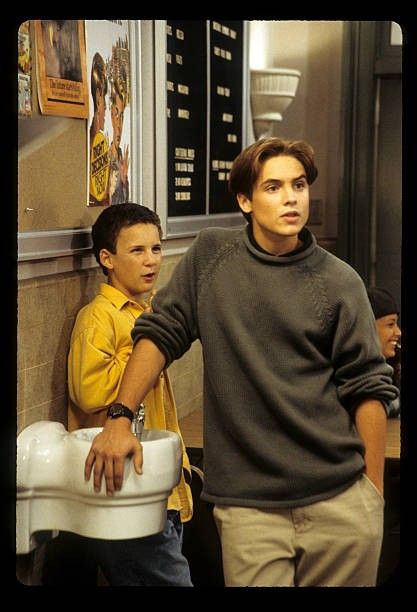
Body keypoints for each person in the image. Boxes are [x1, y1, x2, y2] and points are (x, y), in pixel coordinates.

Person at [85, 138, 398, 587]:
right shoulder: (212, 256)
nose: (291, 197)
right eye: (273, 187)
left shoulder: (339, 281)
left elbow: (368, 387)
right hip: (248, 507)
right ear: (245, 200)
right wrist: (118, 416)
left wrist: (372, 495)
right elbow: (160, 334)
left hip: (339, 501)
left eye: (299, 184)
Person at [67, 202, 193, 586]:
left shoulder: (146, 312)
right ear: (107, 258)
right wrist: (141, 357)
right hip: (124, 488)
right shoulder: (99, 317)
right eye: (137, 251)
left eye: (156, 248)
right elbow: (90, 392)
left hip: (155, 486)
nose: (151, 260)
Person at [367, 286, 401, 418]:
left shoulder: (391, 368)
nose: (398, 332)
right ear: (367, 327)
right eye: (390, 324)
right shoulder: (354, 379)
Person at [108, 77, 130, 204]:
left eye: (121, 116)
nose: (119, 124)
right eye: (115, 114)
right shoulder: (106, 155)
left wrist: (124, 180)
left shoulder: (121, 156)